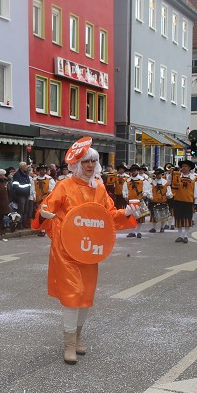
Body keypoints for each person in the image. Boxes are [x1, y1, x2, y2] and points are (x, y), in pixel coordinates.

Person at [31, 144, 137, 365]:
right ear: (76, 164)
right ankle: (69, 344)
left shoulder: (99, 187)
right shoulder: (63, 185)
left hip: (89, 249)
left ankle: (78, 337)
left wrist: (125, 213)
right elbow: (45, 209)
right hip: (66, 249)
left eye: (93, 161)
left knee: (86, 295)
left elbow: (107, 215)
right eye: (85, 161)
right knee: (72, 293)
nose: (90, 165)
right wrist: (44, 215)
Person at [170, 160, 197, 244]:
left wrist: (196, 202)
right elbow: (170, 183)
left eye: (186, 166)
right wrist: (172, 174)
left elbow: (196, 190)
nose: (184, 167)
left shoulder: (194, 178)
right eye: (183, 166)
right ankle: (180, 236)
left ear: (189, 168)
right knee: (178, 218)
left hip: (188, 201)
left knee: (187, 219)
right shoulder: (177, 177)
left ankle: (186, 236)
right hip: (178, 200)